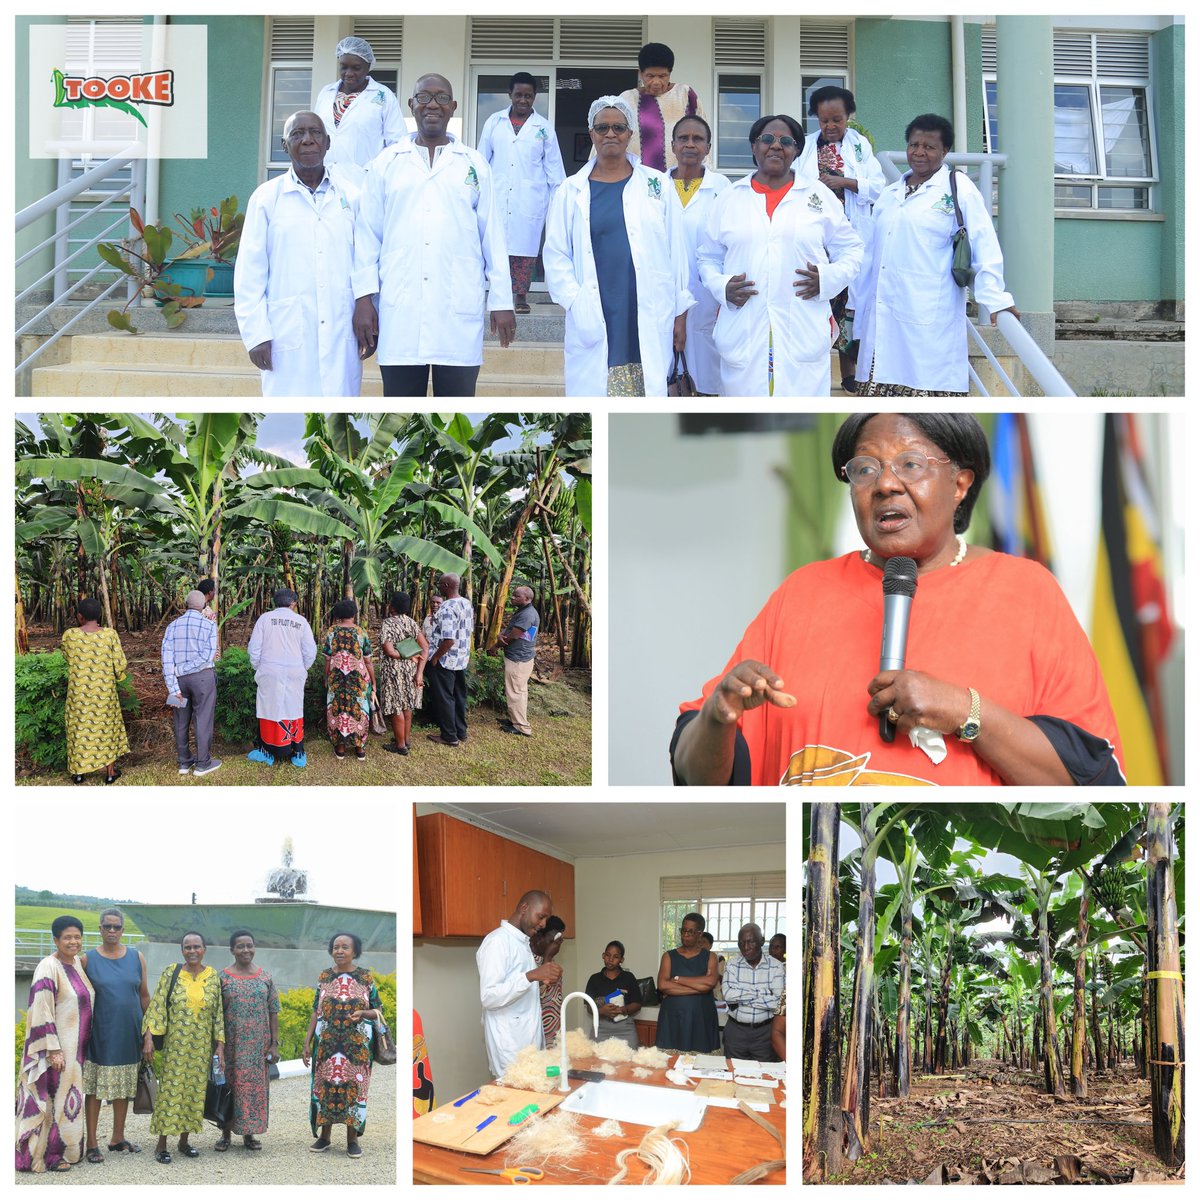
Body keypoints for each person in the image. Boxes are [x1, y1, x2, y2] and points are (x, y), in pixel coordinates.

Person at [671, 413, 1125, 787]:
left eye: (910, 464)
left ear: (961, 483)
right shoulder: (803, 591)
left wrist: (964, 711)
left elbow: (1089, 783)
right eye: (865, 469)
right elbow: (696, 778)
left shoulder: (1027, 591)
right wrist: (718, 716)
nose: (885, 484)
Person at [352, 72, 516, 397]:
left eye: (441, 98)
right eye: (424, 97)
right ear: (411, 105)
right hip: (401, 309)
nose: (432, 105)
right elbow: (367, 236)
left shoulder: (474, 164)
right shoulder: (386, 163)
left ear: (453, 107)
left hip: (457, 308)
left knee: (456, 415)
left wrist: (502, 299)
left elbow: (493, 238)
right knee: (401, 417)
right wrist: (363, 299)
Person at [698, 114, 864, 397]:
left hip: (803, 322)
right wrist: (721, 286)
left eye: (786, 141)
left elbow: (851, 249)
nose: (776, 146)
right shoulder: (729, 198)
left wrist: (826, 279)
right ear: (753, 147)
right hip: (743, 324)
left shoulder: (818, 196)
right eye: (767, 139)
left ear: (797, 150)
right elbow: (708, 257)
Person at [855, 114, 1019, 396]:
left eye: (929, 147)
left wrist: (996, 300)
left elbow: (984, 244)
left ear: (944, 152)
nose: (919, 153)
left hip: (929, 317)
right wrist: (856, 308)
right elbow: (869, 255)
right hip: (882, 318)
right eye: (913, 144)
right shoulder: (890, 194)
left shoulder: (958, 188)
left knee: (928, 405)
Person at [544, 95, 693, 396]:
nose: (610, 134)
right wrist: (575, 300)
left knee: (646, 391)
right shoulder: (569, 191)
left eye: (618, 127)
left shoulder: (657, 185)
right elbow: (556, 255)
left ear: (630, 134)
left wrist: (680, 313)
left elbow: (677, 252)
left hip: (649, 306)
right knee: (595, 398)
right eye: (602, 128)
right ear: (591, 135)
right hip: (595, 309)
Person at [235, 111, 365, 397]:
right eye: (297, 134)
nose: (308, 140)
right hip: (286, 333)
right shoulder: (266, 199)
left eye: (315, 133)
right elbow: (250, 274)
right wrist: (256, 335)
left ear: (328, 142)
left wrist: (369, 309)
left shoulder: (353, 197)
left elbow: (365, 262)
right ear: (284, 146)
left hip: (341, 329)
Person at [795, 86, 885, 393]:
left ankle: (851, 375)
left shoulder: (860, 146)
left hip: (851, 237)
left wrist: (843, 181)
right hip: (817, 239)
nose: (830, 126)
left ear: (848, 117)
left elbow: (878, 186)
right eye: (824, 121)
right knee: (821, 303)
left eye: (837, 119)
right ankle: (818, 370)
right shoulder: (805, 147)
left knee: (850, 307)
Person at [477, 72, 566, 315]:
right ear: (510, 95)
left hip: (530, 200)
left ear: (535, 97)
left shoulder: (544, 129)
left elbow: (555, 171)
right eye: (519, 95)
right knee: (496, 248)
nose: (523, 100)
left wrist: (559, 204)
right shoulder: (494, 122)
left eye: (528, 96)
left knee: (525, 252)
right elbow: (481, 162)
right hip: (498, 196)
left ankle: (520, 296)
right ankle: (498, 295)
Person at [16, 916, 95, 1172]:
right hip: (57, 1051)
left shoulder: (76, 964)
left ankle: (69, 1151)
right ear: (56, 940)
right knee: (53, 1101)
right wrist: (53, 1050)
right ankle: (48, 1156)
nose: (73, 941)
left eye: (77, 937)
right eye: (67, 937)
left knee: (68, 1101)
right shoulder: (47, 967)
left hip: (76, 1053)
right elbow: (41, 1009)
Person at [142, 932, 225, 1165]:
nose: (192, 951)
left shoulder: (213, 977)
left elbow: (218, 1014)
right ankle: (161, 1144)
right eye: (187, 947)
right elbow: (157, 1005)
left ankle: (184, 1141)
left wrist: (219, 1046)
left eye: (196, 947)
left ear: (204, 949)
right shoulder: (172, 972)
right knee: (170, 1092)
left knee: (194, 1094)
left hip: (200, 1048)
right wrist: (148, 1037)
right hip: (175, 1047)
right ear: (182, 950)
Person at [303, 933, 382, 1158]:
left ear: (354, 951)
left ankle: (352, 1139)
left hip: (356, 1048)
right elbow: (315, 1011)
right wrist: (307, 1042)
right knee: (325, 1087)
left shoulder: (365, 977)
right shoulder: (324, 976)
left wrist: (364, 1013)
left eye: (345, 947)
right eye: (336, 947)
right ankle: (324, 1137)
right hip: (327, 1046)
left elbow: (378, 1011)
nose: (339, 951)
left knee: (354, 1090)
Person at [80, 907, 149, 1163]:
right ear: (99, 928)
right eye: (107, 926)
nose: (111, 931)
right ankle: (92, 1143)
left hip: (130, 1033)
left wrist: (149, 1033)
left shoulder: (136, 957)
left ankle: (117, 1138)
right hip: (100, 1034)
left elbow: (144, 996)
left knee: (124, 1087)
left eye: (116, 927)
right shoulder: (86, 960)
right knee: (95, 1089)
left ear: (122, 930)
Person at [668, 115, 729, 395]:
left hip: (708, 294)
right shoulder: (655, 187)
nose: (690, 144)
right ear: (672, 145)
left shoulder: (724, 189)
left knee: (708, 374)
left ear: (708, 148)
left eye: (697, 139)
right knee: (667, 377)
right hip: (665, 292)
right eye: (683, 138)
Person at [476, 891, 561, 1077]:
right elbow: (489, 997)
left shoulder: (522, 943)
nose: (543, 924)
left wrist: (541, 979)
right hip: (510, 1048)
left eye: (546, 919)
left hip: (529, 1044)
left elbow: (519, 990)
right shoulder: (497, 942)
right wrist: (531, 975)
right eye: (541, 917)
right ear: (524, 908)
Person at [216, 931, 280, 1153]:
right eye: (240, 946)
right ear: (232, 950)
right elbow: (216, 1015)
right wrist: (218, 1047)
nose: (245, 950)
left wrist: (274, 1044)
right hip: (231, 1046)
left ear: (255, 947)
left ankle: (249, 1134)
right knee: (228, 1088)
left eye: (249, 946)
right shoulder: (222, 978)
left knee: (253, 1090)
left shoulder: (265, 978)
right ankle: (225, 1134)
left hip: (257, 1048)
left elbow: (274, 1012)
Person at [60, 597, 129, 784]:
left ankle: (79, 773)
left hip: (78, 694)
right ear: (99, 616)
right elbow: (120, 663)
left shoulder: (70, 635)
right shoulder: (110, 635)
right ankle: (110, 773)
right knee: (107, 729)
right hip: (104, 694)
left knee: (78, 730)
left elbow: (67, 655)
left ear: (79, 617)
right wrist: (118, 676)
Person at [246, 588, 317, 769]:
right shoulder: (301, 621)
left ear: (274, 602)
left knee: (268, 709)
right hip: (295, 671)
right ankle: (297, 752)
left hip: (269, 670)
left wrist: (259, 667)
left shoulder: (265, 619)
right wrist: (301, 668)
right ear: (293, 603)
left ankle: (267, 752)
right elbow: (310, 651)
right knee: (293, 707)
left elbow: (254, 649)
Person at [313, 36, 405, 169]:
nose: (348, 73)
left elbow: (397, 143)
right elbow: (316, 133)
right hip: (326, 178)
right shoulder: (326, 93)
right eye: (344, 67)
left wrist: (376, 171)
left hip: (365, 179)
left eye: (356, 68)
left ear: (368, 67)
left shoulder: (384, 96)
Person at [617, 42, 706, 172]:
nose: (656, 82)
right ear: (641, 74)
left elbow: (703, 136)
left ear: (670, 73)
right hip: (636, 180)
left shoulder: (685, 95)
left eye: (662, 76)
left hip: (678, 180)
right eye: (650, 76)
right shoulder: (627, 100)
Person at [161, 589, 221, 777]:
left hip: (177, 681)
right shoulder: (209, 625)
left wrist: (173, 684)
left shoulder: (172, 626)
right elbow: (207, 656)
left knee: (180, 720)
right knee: (202, 719)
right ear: (204, 606)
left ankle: (184, 763)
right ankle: (203, 763)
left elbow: (166, 659)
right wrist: (185, 669)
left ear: (184, 605)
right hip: (203, 678)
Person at [655, 913, 719, 1053]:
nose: (685, 934)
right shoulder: (668, 956)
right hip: (673, 1019)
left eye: (690, 931)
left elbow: (710, 983)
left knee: (701, 1069)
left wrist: (678, 979)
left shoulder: (710, 957)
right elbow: (663, 986)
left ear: (700, 933)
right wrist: (700, 988)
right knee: (669, 1067)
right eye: (683, 930)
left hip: (701, 1019)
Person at [721, 924, 785, 1062]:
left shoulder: (776, 966)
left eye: (750, 941)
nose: (745, 947)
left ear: (762, 941)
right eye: (741, 942)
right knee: (733, 1074)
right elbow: (729, 996)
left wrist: (741, 997)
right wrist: (763, 993)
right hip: (736, 1031)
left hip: (765, 1033)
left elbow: (778, 1002)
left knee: (766, 1077)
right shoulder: (732, 964)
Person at [425, 573, 474, 748]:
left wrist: (435, 658)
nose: (438, 586)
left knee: (444, 697)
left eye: (439, 584)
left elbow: (449, 639)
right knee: (459, 695)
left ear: (446, 585)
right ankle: (461, 731)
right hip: (461, 658)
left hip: (445, 659)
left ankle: (449, 736)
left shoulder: (446, 608)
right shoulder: (466, 603)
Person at [323, 599, 376, 762]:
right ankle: (360, 748)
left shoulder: (331, 631)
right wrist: (373, 681)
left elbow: (327, 659)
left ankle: (340, 748)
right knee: (358, 709)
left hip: (337, 678)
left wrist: (326, 678)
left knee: (337, 710)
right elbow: (367, 660)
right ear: (354, 614)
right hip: (358, 679)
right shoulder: (361, 633)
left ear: (338, 614)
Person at [378, 591, 428, 756]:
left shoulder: (388, 624)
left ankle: (400, 746)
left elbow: (390, 652)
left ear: (392, 606)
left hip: (394, 670)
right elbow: (425, 647)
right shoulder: (411, 622)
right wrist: (419, 672)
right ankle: (405, 739)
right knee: (407, 705)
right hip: (411, 670)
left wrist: (408, 654)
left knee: (395, 706)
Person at [584, 941, 643, 1049]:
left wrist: (622, 1010)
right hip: (600, 1028)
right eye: (608, 955)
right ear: (603, 955)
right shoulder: (594, 979)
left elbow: (637, 1004)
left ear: (621, 960)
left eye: (615, 957)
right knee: (596, 1061)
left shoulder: (628, 977)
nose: (610, 959)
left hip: (625, 1028)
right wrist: (602, 1011)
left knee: (630, 1061)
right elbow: (589, 1007)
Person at [498, 584, 539, 738]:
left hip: (519, 659)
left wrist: (497, 644)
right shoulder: (523, 611)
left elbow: (514, 635)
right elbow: (511, 630)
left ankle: (522, 727)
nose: (512, 598)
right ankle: (515, 720)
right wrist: (501, 635)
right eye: (513, 595)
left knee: (516, 692)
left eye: (516, 596)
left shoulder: (527, 614)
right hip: (519, 657)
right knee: (517, 691)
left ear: (527, 598)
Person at [530, 916, 566, 1046]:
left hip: (554, 1029)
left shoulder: (548, 959)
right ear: (538, 937)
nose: (555, 947)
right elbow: (534, 994)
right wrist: (548, 957)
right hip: (536, 1032)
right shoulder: (528, 961)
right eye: (552, 941)